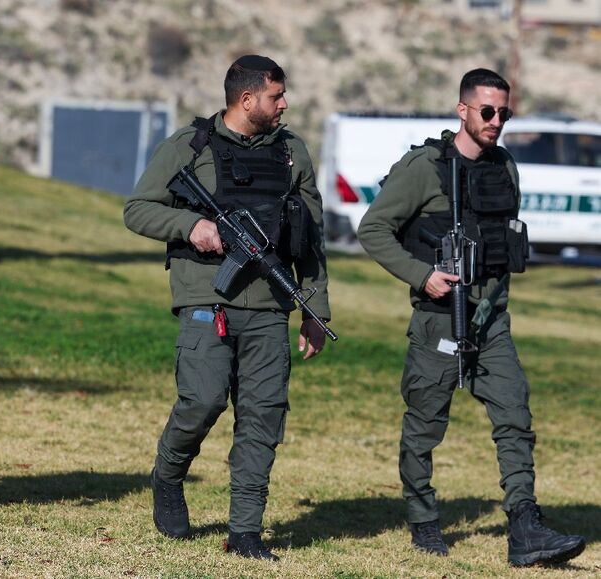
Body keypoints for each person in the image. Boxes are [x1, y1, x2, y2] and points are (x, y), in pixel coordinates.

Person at [357, 68, 585, 566]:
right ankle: (422, 518)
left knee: (515, 416)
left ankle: (525, 528)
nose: (496, 120)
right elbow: (373, 229)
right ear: (462, 110)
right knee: (424, 424)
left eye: (505, 112)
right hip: (438, 318)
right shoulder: (424, 167)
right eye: (487, 111)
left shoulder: (505, 166)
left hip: (491, 321)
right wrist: (422, 276)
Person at [124, 55, 330, 561]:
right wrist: (191, 227)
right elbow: (138, 209)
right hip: (206, 298)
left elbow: (311, 238)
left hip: (269, 305)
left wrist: (315, 309)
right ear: (246, 100)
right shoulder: (189, 146)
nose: (284, 104)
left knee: (263, 418)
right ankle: (168, 474)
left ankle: (245, 533)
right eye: (276, 96)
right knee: (203, 400)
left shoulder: (292, 154)